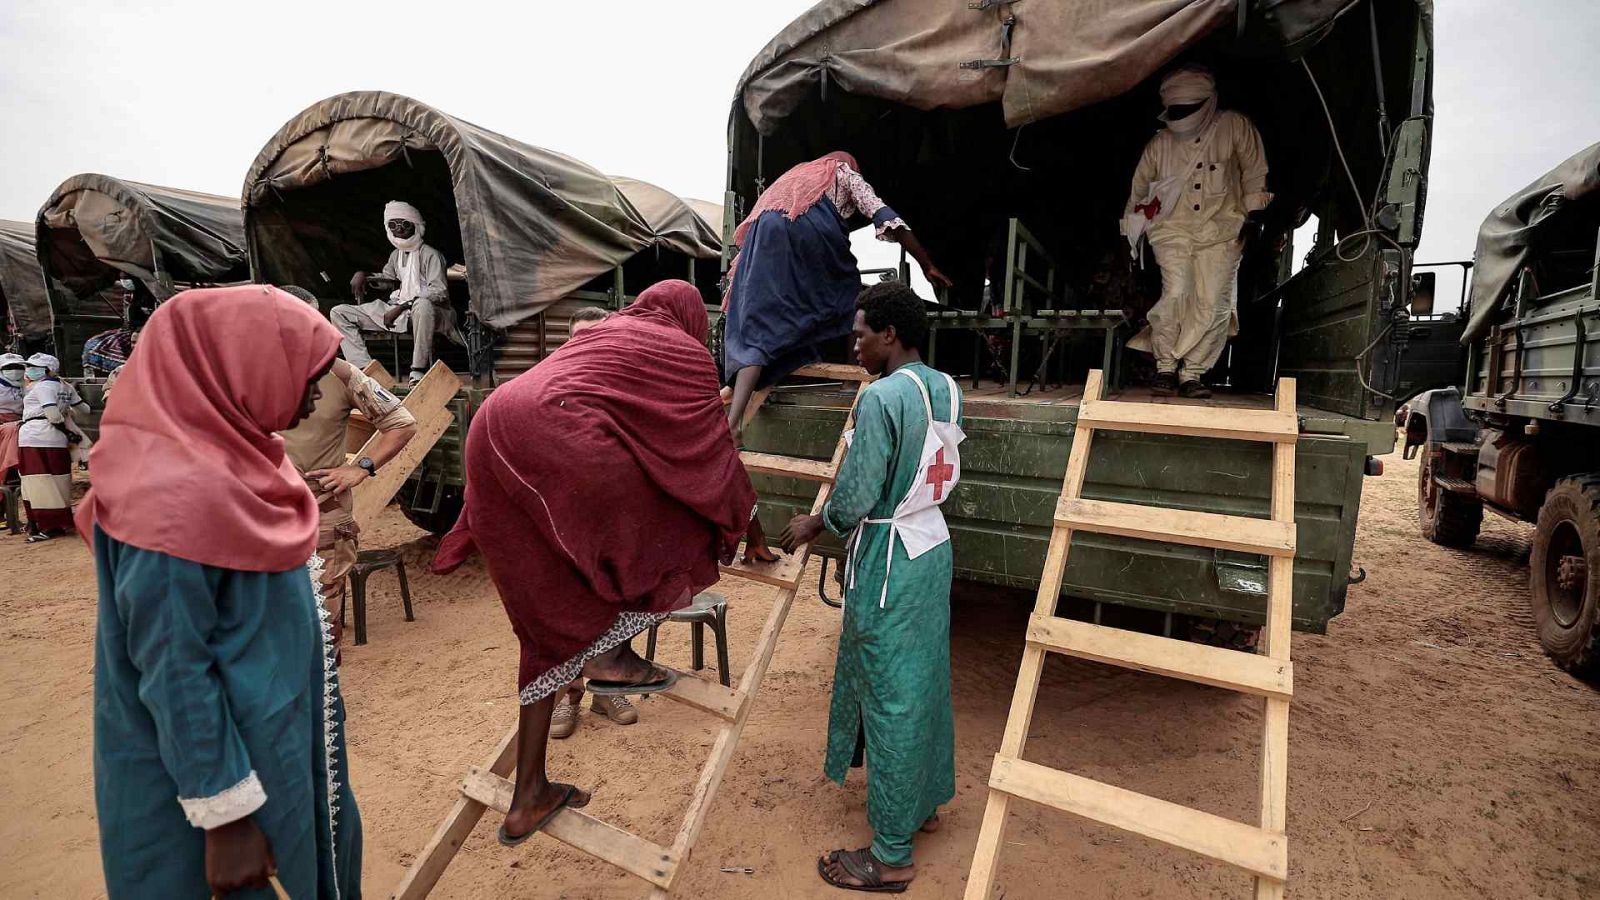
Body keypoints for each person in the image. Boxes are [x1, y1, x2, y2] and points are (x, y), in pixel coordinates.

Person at [431, 280, 767, 843]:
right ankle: (612, 656)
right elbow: (714, 455)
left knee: (548, 630)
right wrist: (748, 532)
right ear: (692, 319)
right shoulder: (683, 351)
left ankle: (528, 795)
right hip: (552, 432)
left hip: (491, 427)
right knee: (678, 513)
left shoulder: (611, 332)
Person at [80, 285, 361, 899]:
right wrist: (225, 816)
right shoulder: (169, 499)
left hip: (276, 742)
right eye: (304, 373)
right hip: (220, 783)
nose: (318, 393)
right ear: (238, 365)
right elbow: (174, 669)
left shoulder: (243, 460)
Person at [780, 281, 964, 893]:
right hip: (930, 547)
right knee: (924, 681)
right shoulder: (947, 387)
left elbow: (858, 492)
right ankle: (923, 805)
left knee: (889, 697)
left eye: (860, 335)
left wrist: (818, 522)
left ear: (889, 334)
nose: (853, 345)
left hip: (889, 560)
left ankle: (890, 856)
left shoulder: (883, 396)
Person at [722, 151, 952, 443]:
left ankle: (733, 423)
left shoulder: (790, 178)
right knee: (849, 292)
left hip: (762, 240)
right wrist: (926, 263)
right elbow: (883, 214)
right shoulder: (842, 170)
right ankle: (850, 382)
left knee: (759, 329)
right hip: (810, 232)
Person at [1122, 65, 1271, 398]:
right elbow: (1139, 190)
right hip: (1171, 231)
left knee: (1213, 303)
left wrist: (1255, 217)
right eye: (1175, 111)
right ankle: (1165, 367)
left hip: (1223, 229)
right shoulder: (1159, 144)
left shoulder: (1234, 126)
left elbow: (1254, 171)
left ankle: (1192, 373)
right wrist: (1130, 236)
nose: (1181, 117)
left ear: (1208, 101)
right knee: (1176, 294)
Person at [544, 305, 642, 737]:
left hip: (615, 519)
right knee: (564, 609)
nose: (589, 345)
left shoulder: (625, 390)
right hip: (563, 520)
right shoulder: (549, 386)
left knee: (616, 604)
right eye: (580, 337)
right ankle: (568, 696)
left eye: (598, 336)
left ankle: (607, 690)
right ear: (567, 342)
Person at [280, 349, 417, 651]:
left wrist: (361, 468)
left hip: (322, 513)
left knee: (322, 633)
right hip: (255, 513)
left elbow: (402, 423)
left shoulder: (338, 373)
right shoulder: (237, 367)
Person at [333, 201, 457, 386]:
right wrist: (364, 275)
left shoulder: (431, 255)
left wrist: (403, 306)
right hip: (399, 310)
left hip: (430, 313)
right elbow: (387, 279)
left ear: (415, 225)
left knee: (422, 305)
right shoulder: (395, 255)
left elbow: (439, 291)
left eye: (404, 223)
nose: (399, 229)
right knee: (339, 312)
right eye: (393, 224)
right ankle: (364, 369)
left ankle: (417, 370)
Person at [17, 353, 89, 542]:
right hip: (57, 439)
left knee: (38, 481)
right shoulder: (65, 386)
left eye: (34, 367)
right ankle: (56, 523)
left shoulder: (43, 387)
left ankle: (47, 527)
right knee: (60, 480)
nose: (29, 370)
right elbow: (85, 409)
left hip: (36, 437)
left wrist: (65, 428)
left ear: (47, 370)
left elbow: (53, 415)